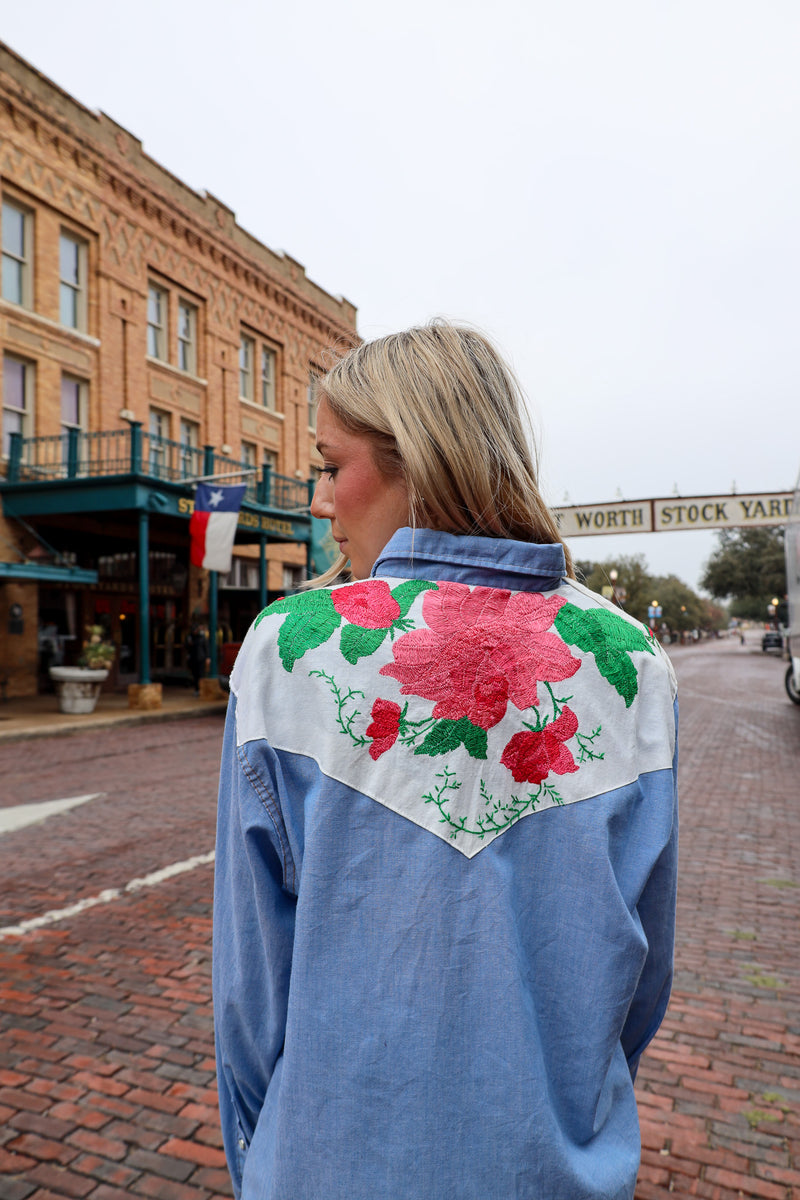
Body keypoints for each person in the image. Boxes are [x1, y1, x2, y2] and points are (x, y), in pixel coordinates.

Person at [213, 321, 679, 1200]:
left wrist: (267, 1161)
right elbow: (638, 978)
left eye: (327, 464)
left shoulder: (293, 645)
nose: (318, 501)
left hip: (330, 1167)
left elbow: (251, 995)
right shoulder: (631, 664)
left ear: (414, 458)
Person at [185, 620, 208, 695]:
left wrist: (208, 657)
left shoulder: (202, 637)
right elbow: (186, 647)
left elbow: (206, 647)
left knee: (201, 674)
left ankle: (201, 689)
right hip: (193, 658)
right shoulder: (190, 637)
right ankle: (197, 689)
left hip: (201, 658)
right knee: (195, 675)